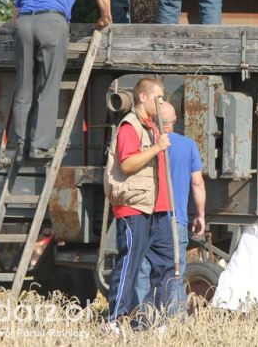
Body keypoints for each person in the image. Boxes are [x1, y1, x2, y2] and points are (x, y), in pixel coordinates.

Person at [12, 0, 112, 161]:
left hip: (24, 25)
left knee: (24, 86)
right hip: (51, 22)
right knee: (48, 85)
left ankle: (20, 145)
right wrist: (105, 17)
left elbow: (15, 15)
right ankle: (40, 147)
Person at [104, 77, 175, 327]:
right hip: (135, 206)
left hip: (158, 208)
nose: (162, 102)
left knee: (166, 264)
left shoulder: (152, 127)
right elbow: (127, 164)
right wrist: (156, 148)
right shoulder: (130, 126)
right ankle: (115, 319)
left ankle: (161, 320)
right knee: (130, 263)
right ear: (143, 97)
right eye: (159, 97)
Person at [134, 101, 206, 313]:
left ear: (154, 120)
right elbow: (197, 183)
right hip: (175, 220)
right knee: (173, 275)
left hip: (145, 218)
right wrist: (200, 214)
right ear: (175, 120)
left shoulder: (147, 144)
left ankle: (142, 322)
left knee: (142, 273)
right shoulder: (188, 145)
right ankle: (174, 324)